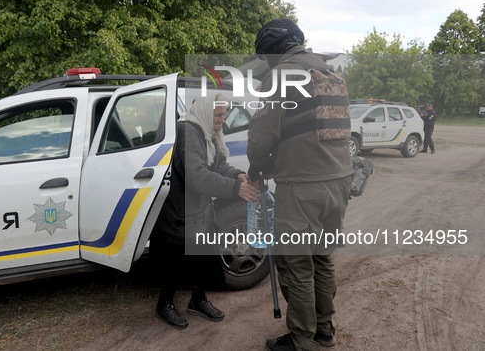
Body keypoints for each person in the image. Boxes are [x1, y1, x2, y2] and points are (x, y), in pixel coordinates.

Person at [246, 18, 353, 351]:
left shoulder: (281, 75)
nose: (265, 63)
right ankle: (324, 329)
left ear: (273, 51)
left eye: (264, 56)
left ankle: (302, 339)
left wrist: (257, 165)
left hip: (303, 186)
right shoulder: (331, 73)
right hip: (338, 183)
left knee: (296, 262)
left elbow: (263, 131)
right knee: (321, 257)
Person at [150, 93, 260, 329]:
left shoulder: (207, 130)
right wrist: (235, 188)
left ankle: (198, 300)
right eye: (218, 115)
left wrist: (236, 174)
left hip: (199, 207)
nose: (222, 120)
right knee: (176, 259)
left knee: (203, 254)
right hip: (180, 208)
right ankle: (164, 305)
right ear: (205, 112)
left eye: (223, 115)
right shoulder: (188, 130)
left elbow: (218, 164)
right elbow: (196, 175)